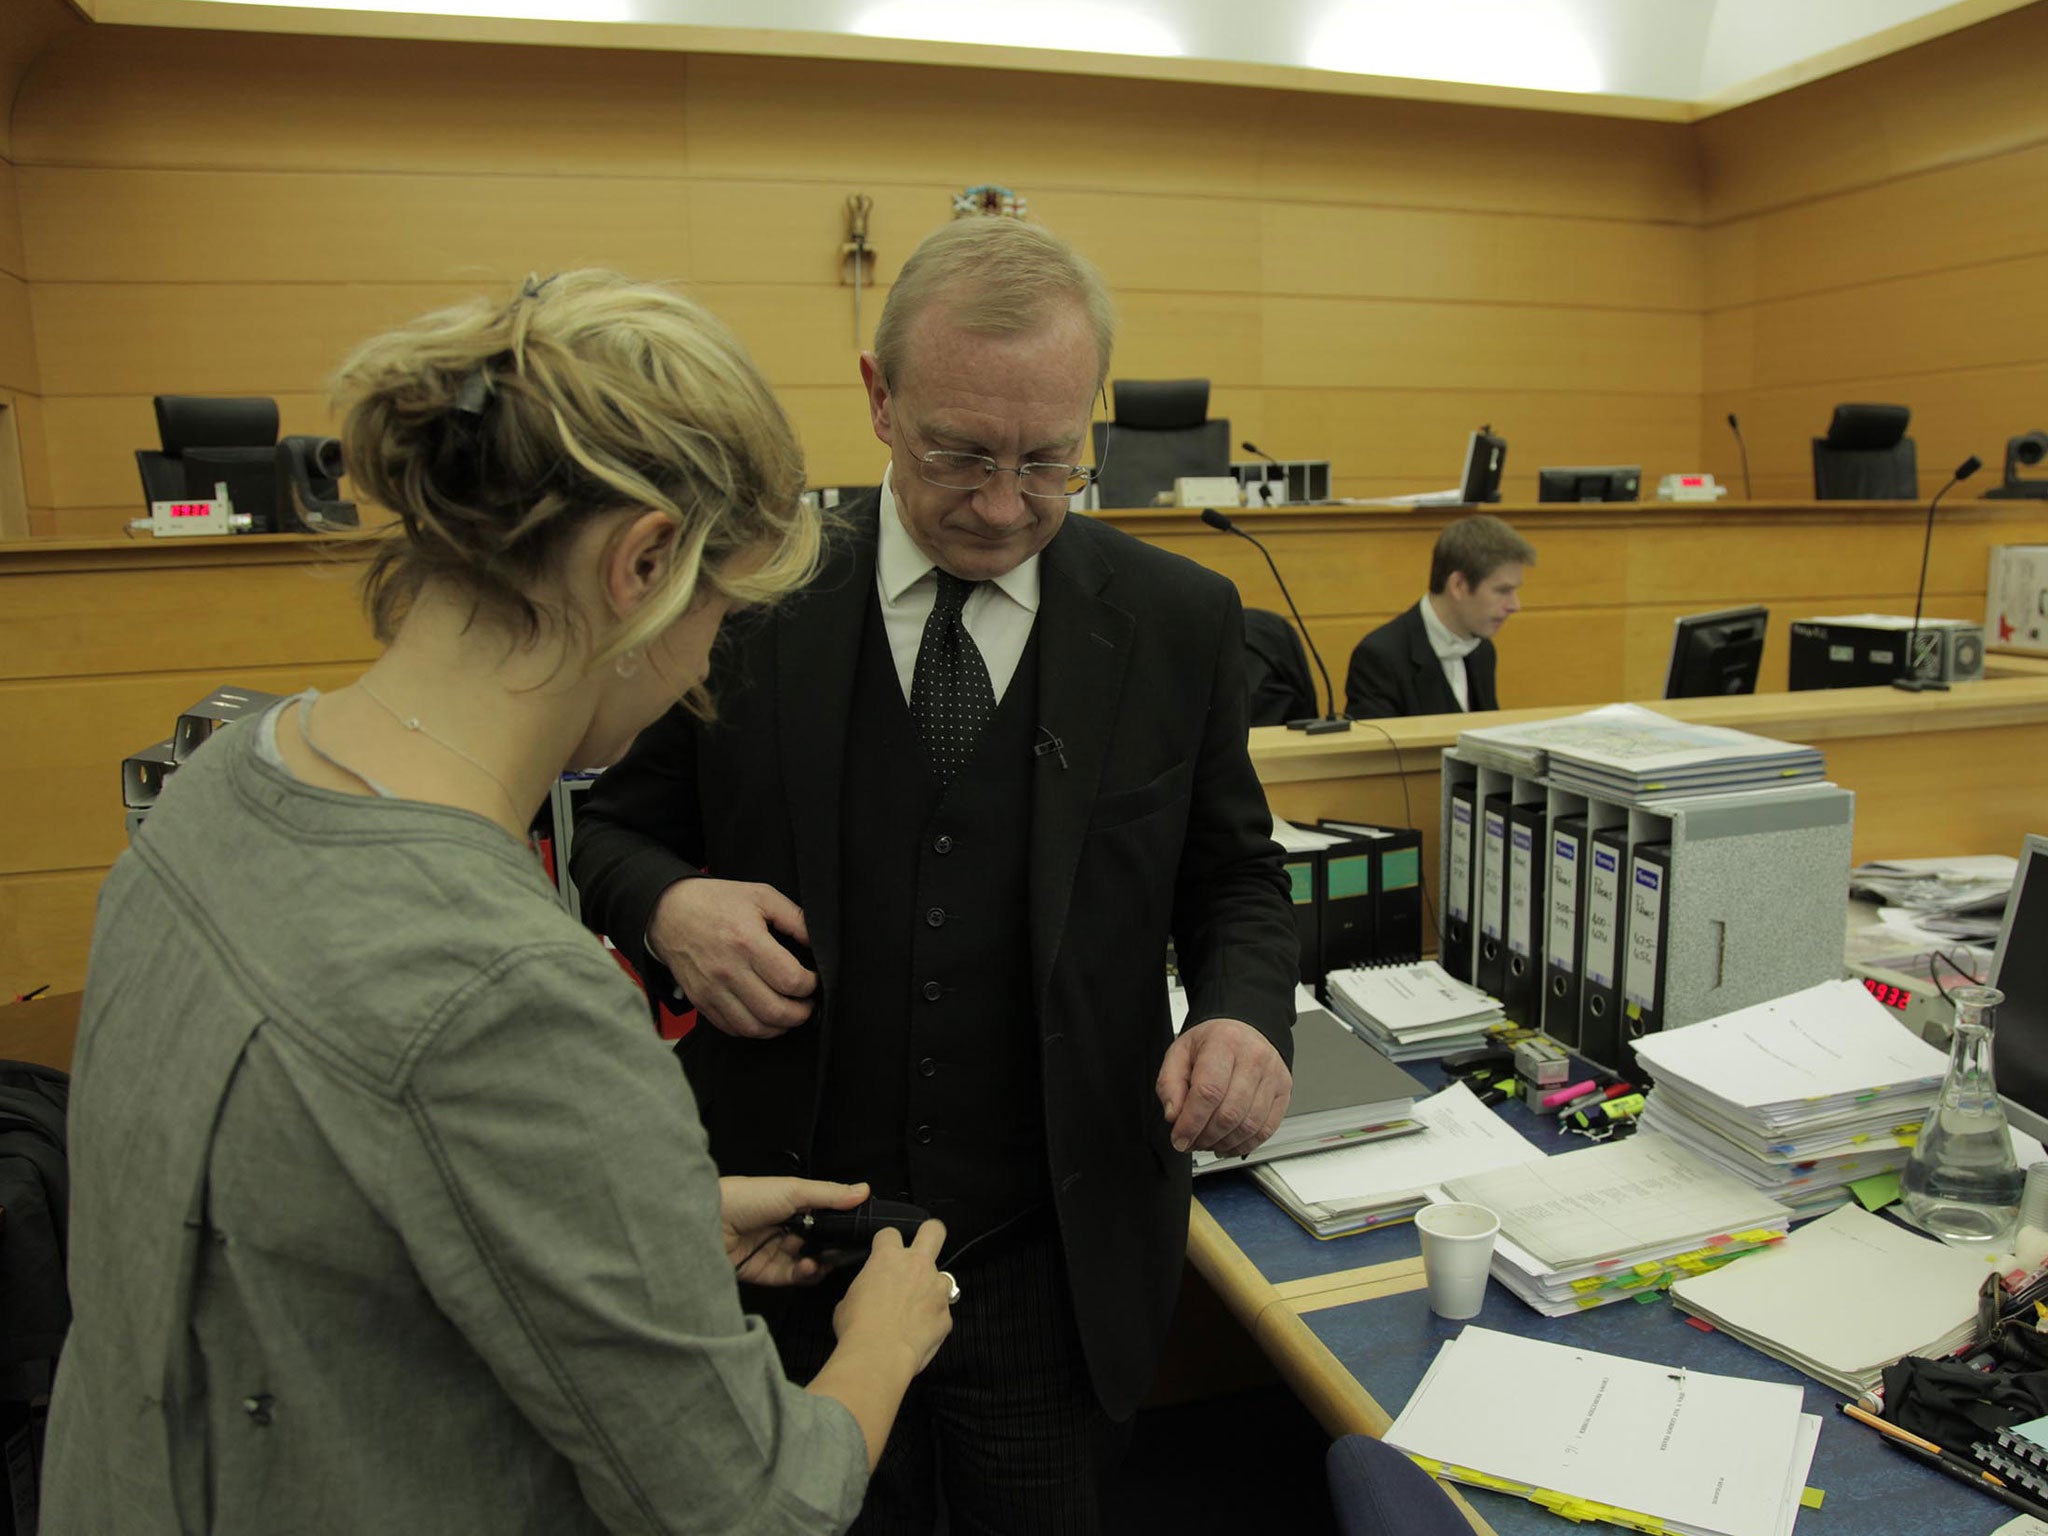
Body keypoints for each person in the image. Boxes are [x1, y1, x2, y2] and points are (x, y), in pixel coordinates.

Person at [42, 272, 956, 1536]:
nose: (707, 661)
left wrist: (642, 1226)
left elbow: (302, 1206)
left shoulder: (217, 785)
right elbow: (751, 1507)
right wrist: (882, 1344)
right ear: (643, 564)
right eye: (722, 614)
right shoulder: (514, 994)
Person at [569, 218, 1299, 1534]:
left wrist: (1243, 1016)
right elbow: (608, 834)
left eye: (1050, 459)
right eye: (960, 454)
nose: (1005, 505)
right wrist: (667, 905)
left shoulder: (1178, 621)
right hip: (781, 1248)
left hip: (1049, 1266)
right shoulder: (743, 600)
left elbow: (1234, 876)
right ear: (877, 397)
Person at [1344, 513, 1536, 719]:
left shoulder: (1482, 650)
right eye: (1503, 590)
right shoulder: (1380, 657)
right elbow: (1378, 741)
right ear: (1458, 585)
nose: (1515, 605)